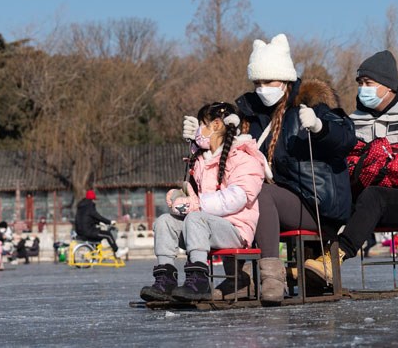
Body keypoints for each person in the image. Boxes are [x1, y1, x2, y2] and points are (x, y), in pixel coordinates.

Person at [192, 34, 355, 305]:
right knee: (240, 193)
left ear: (285, 80)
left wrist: (321, 127)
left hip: (316, 203)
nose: (262, 88)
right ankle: (240, 278)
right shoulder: (250, 117)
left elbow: (348, 138)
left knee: (260, 194)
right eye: (257, 82)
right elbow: (228, 162)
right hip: (275, 200)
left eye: (268, 81)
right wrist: (201, 140)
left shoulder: (310, 106)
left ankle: (271, 276)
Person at [303, 50, 398, 286]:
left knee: (374, 197)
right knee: (329, 200)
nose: (362, 88)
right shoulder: (357, 119)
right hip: (369, 195)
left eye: (368, 83)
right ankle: (309, 271)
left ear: (388, 86)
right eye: (360, 83)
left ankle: (332, 261)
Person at [141, 102, 268, 302]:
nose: (199, 130)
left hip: (235, 229)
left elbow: (238, 197)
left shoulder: (245, 159)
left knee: (196, 218)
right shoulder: (202, 159)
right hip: (202, 225)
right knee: (165, 220)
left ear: (216, 125)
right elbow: (195, 195)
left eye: (202, 125)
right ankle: (165, 279)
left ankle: (198, 280)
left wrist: (196, 204)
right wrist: (182, 197)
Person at [75, 190, 128, 258]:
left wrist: (99, 223)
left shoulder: (82, 207)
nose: (95, 201)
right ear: (92, 199)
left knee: (97, 237)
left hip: (80, 232)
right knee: (107, 235)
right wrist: (109, 222)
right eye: (94, 199)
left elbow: (89, 218)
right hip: (87, 232)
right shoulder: (90, 205)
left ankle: (95, 256)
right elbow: (97, 216)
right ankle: (117, 252)